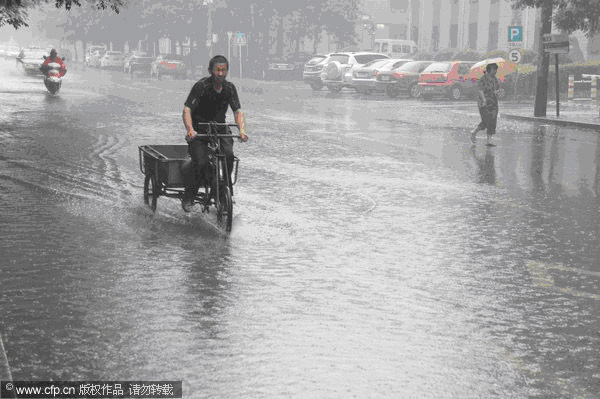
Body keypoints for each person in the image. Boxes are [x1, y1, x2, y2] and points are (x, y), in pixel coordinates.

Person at [181, 54, 248, 212]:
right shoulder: (201, 86)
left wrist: (242, 130)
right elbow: (187, 109)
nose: (220, 74)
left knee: (229, 156)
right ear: (211, 70)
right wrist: (190, 129)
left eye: (223, 70)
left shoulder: (230, 88)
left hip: (220, 129)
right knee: (202, 162)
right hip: (200, 132)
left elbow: (237, 111)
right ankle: (189, 195)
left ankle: (222, 189)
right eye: (217, 70)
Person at [471, 63, 499, 146]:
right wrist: (483, 99)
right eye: (494, 69)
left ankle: (489, 140)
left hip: (493, 102)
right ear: (489, 69)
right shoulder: (483, 79)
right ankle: (474, 132)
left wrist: (497, 92)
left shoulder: (495, 79)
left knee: (493, 120)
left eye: (496, 70)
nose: (495, 71)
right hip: (484, 103)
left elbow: (497, 89)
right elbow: (480, 90)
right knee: (486, 121)